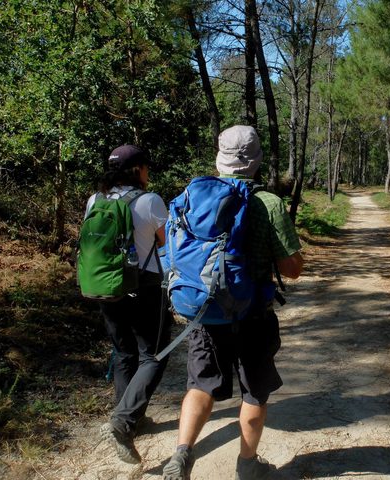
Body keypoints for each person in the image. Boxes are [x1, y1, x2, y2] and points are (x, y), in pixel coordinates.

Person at [162, 126, 303, 480]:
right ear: (256, 161)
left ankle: (182, 455)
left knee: (200, 384)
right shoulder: (269, 202)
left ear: (219, 158)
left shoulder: (194, 197)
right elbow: (292, 268)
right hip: (254, 315)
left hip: (205, 310)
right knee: (255, 393)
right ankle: (247, 465)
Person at [91, 145, 172, 464]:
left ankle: (129, 417)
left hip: (105, 285)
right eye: (146, 167)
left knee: (124, 352)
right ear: (137, 170)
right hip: (144, 286)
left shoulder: (94, 200)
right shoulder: (149, 201)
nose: (148, 173)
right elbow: (165, 241)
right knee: (154, 354)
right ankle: (124, 422)